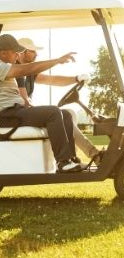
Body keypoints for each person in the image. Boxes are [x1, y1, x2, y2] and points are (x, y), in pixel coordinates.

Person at [0, 34, 85, 173]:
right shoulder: (1, 66)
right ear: (2, 53)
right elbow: (27, 69)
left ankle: (70, 159)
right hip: (6, 115)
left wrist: (75, 78)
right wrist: (57, 60)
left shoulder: (7, 67)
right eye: (14, 52)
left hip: (15, 112)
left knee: (66, 114)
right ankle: (63, 162)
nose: (17, 55)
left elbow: (46, 77)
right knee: (53, 112)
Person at [16, 37, 103, 165]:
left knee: (69, 113)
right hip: (19, 114)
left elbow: (52, 79)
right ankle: (94, 155)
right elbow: (23, 100)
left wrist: (76, 79)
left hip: (26, 112)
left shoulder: (29, 72)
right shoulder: (16, 70)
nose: (37, 54)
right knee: (56, 113)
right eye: (33, 51)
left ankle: (73, 158)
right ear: (23, 51)